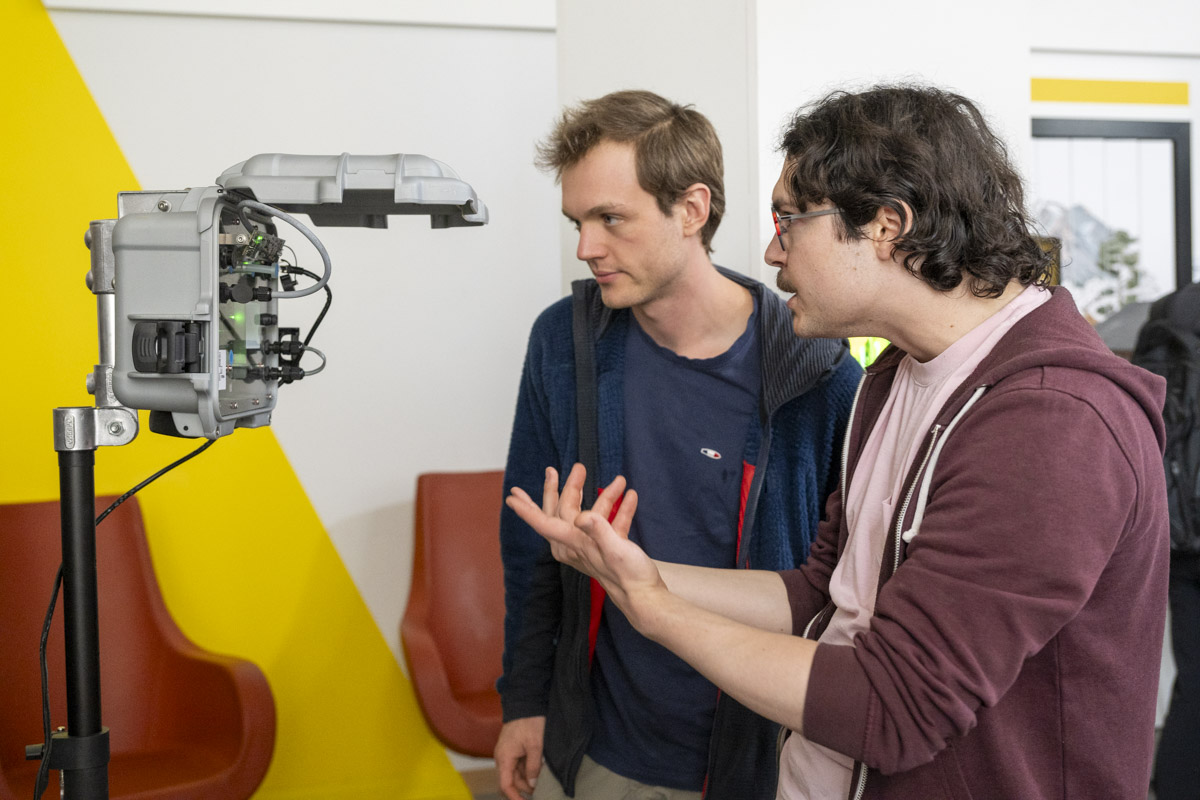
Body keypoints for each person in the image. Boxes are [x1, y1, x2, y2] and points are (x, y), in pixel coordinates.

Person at [507, 84, 1170, 800]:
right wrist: (640, 574)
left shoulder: (1054, 423)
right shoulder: (895, 377)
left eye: (790, 220)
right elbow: (819, 595)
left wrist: (657, 612)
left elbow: (893, 704)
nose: (769, 250)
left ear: (887, 226)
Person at [496, 90, 862, 800]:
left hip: (762, 758)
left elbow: (842, 590)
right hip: (599, 747)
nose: (586, 247)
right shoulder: (562, 343)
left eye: (611, 219)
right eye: (578, 221)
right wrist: (526, 701)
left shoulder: (817, 373)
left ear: (691, 210)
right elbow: (531, 552)